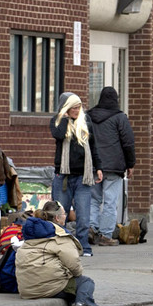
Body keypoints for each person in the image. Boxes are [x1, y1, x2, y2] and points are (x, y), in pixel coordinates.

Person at [17, 201, 103, 306]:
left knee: (68, 287)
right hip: (48, 287)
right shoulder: (60, 236)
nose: (66, 216)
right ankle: (83, 304)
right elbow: (74, 264)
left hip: (27, 289)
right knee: (85, 282)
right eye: (64, 214)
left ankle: (74, 302)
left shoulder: (31, 233)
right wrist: (75, 274)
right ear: (57, 218)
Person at [51, 93, 101, 256]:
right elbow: (58, 135)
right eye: (73, 107)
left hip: (82, 177)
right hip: (63, 177)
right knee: (59, 214)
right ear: (66, 108)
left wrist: (98, 167)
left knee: (83, 216)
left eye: (79, 107)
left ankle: (84, 246)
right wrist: (65, 118)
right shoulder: (57, 121)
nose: (77, 110)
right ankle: (61, 246)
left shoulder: (86, 122)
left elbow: (93, 147)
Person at [87, 86, 134, 247]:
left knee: (93, 199)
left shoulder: (89, 116)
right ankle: (106, 235)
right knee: (110, 201)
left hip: (93, 165)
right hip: (114, 166)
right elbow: (128, 143)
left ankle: (91, 229)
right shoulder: (120, 117)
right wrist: (130, 164)